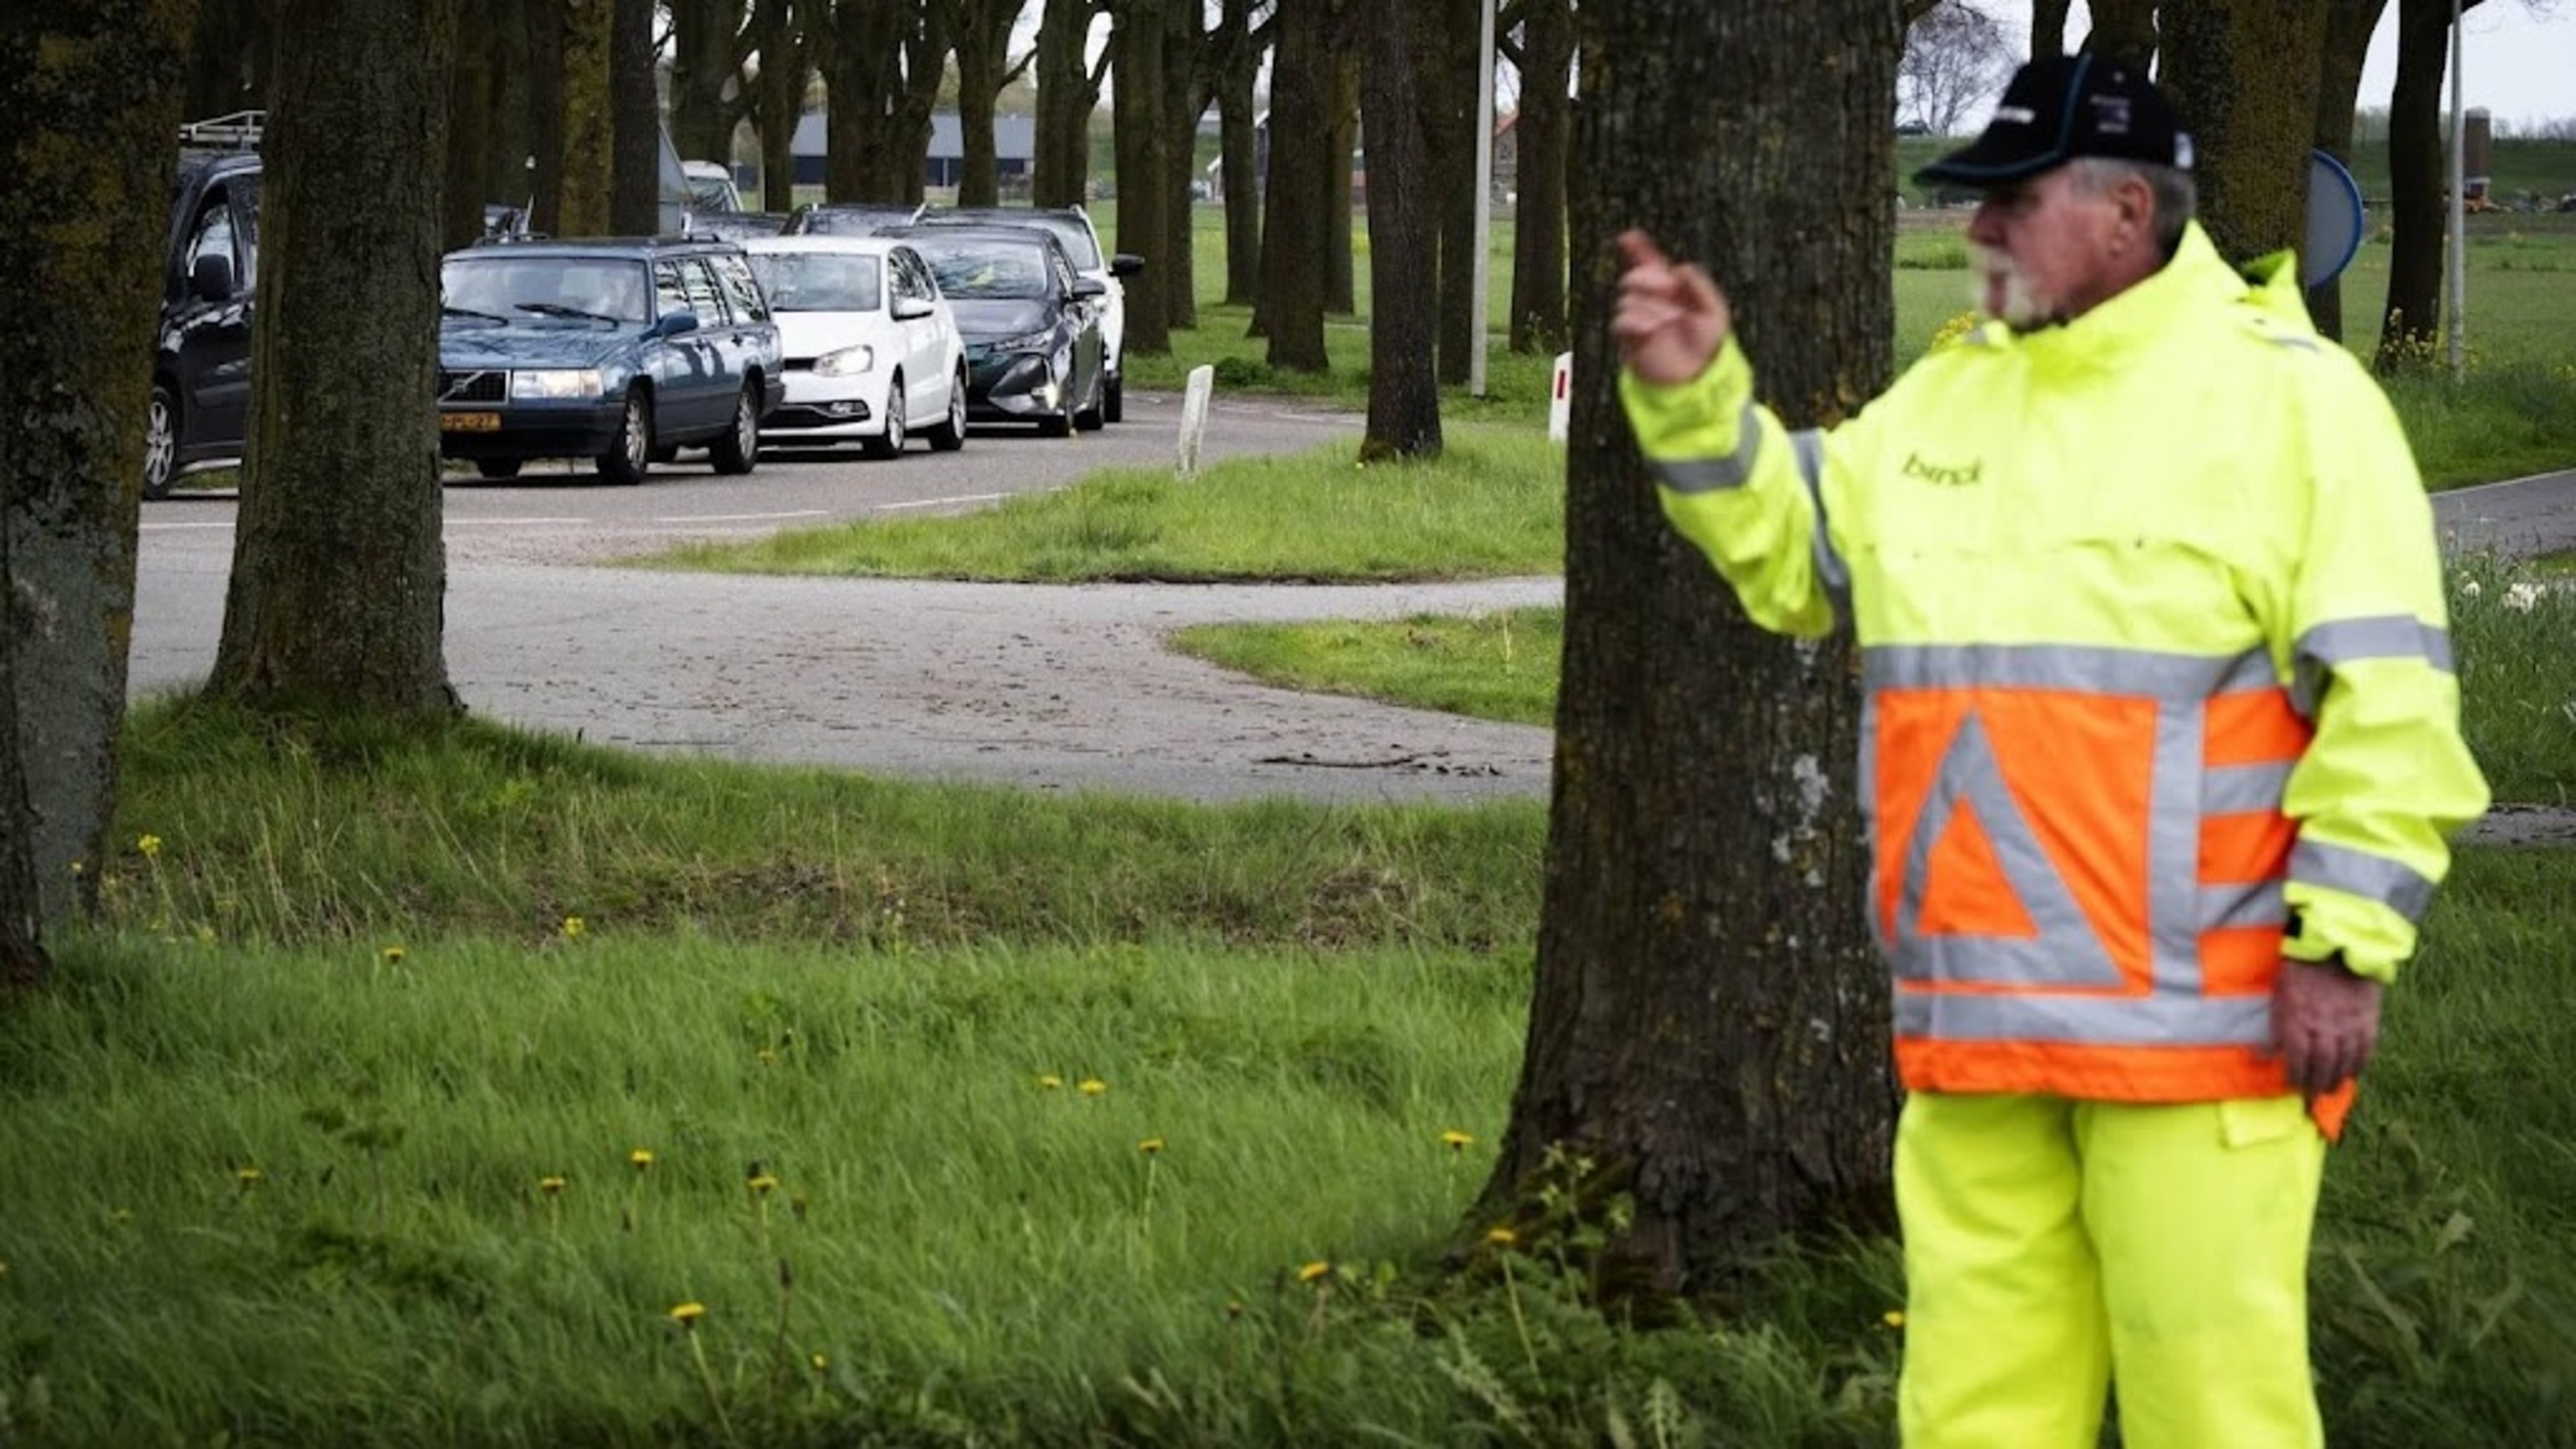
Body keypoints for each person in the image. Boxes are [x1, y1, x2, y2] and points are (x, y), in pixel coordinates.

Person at [1612, 54, 2489, 1449]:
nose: (1974, 233)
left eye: (2007, 205)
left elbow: (2393, 702)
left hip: (2207, 1046)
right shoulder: (1948, 403)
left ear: (2128, 211)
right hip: (1975, 1041)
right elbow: (1787, 553)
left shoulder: (2297, 408)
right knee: (1974, 1418)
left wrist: (2345, 950)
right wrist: (1693, 396)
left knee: (2216, 1414)